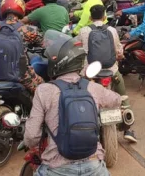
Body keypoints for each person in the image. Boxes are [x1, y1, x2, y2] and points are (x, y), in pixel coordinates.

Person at [24, 31, 121, 176]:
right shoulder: (92, 87)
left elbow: (32, 136)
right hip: (94, 167)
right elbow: (116, 100)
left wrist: (29, 144)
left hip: (56, 168)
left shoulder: (44, 90)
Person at [78, 5, 137, 143]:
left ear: (90, 17)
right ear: (104, 17)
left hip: (89, 73)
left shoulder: (84, 31)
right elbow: (119, 51)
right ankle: (128, 127)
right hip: (111, 71)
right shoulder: (112, 30)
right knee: (122, 95)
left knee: (79, 93)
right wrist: (119, 57)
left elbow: (78, 49)